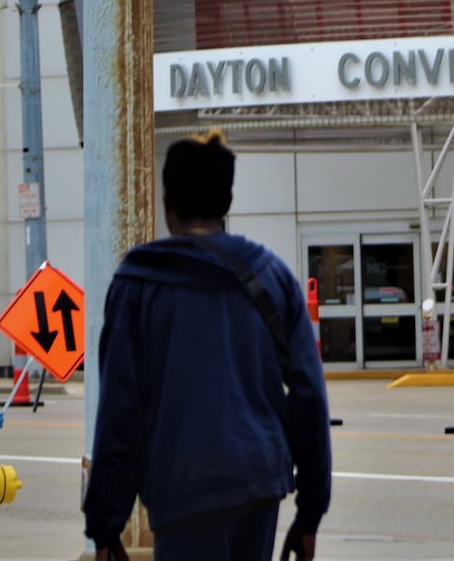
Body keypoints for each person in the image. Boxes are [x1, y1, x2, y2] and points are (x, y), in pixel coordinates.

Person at [83, 129, 332, 561]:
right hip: (260, 486)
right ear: (227, 200)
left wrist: (106, 526)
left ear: (168, 200)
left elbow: (120, 412)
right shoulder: (272, 277)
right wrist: (308, 514)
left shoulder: (138, 283)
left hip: (184, 491)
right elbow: (309, 399)